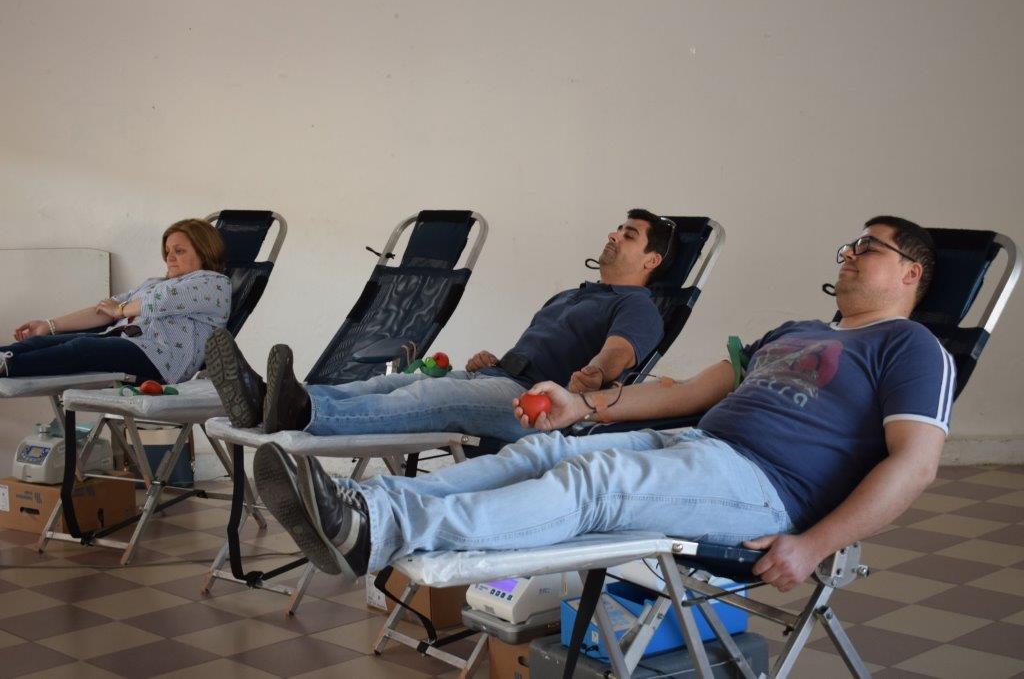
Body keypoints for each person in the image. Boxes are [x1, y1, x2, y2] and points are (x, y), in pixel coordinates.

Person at [250, 215, 955, 593]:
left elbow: (916, 465)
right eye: (851, 244)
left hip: (768, 490)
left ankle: (380, 528)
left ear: (911, 273)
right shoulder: (793, 330)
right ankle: (366, 504)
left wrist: (815, 544)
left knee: (595, 481)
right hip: (702, 447)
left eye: (869, 247)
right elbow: (685, 392)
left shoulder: (914, 347)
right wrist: (581, 408)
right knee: (541, 451)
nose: (849, 254)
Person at [206, 209, 674, 443]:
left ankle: (303, 414)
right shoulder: (574, 294)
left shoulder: (639, 307)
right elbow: (544, 348)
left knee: (425, 397)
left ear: (651, 260)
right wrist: (498, 361)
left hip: (537, 408)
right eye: (618, 228)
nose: (614, 235)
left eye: (628, 235)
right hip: (502, 378)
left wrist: (595, 373)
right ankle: (267, 399)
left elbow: (619, 353)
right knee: (385, 384)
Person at [1, 219, 231, 384]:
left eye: (179, 251)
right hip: (128, 343)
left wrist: (120, 311)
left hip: (163, 359)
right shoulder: (154, 283)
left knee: (83, 348)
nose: (169, 257)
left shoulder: (214, 283)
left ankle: (8, 366)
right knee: (44, 341)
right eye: (167, 251)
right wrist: (49, 325)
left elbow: (162, 302)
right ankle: (4, 355)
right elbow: (104, 310)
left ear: (204, 251)